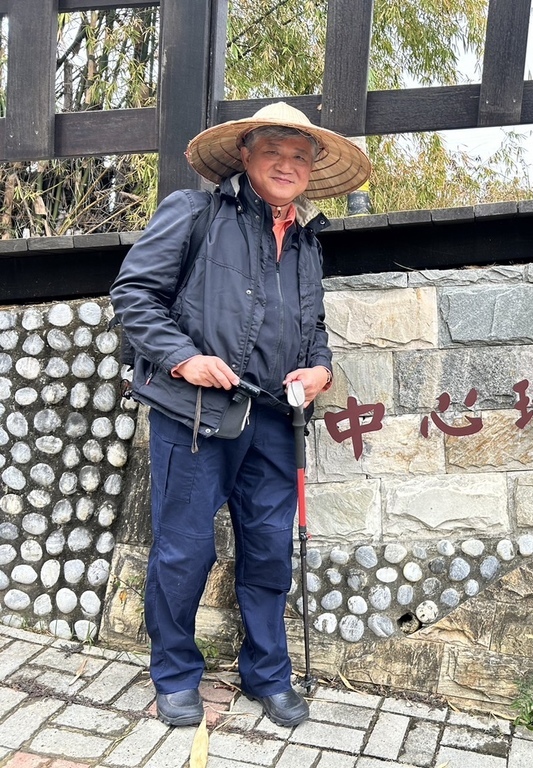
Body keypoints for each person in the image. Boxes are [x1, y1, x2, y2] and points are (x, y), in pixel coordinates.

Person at [110, 102, 371, 728]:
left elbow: (312, 328)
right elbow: (133, 294)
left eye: (299, 156)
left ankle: (266, 674)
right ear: (246, 156)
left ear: (311, 170)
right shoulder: (195, 214)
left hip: (277, 420)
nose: (287, 165)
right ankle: (174, 674)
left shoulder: (306, 243)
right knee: (185, 550)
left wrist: (321, 369)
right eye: (274, 152)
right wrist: (183, 359)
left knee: (269, 550)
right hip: (197, 414)